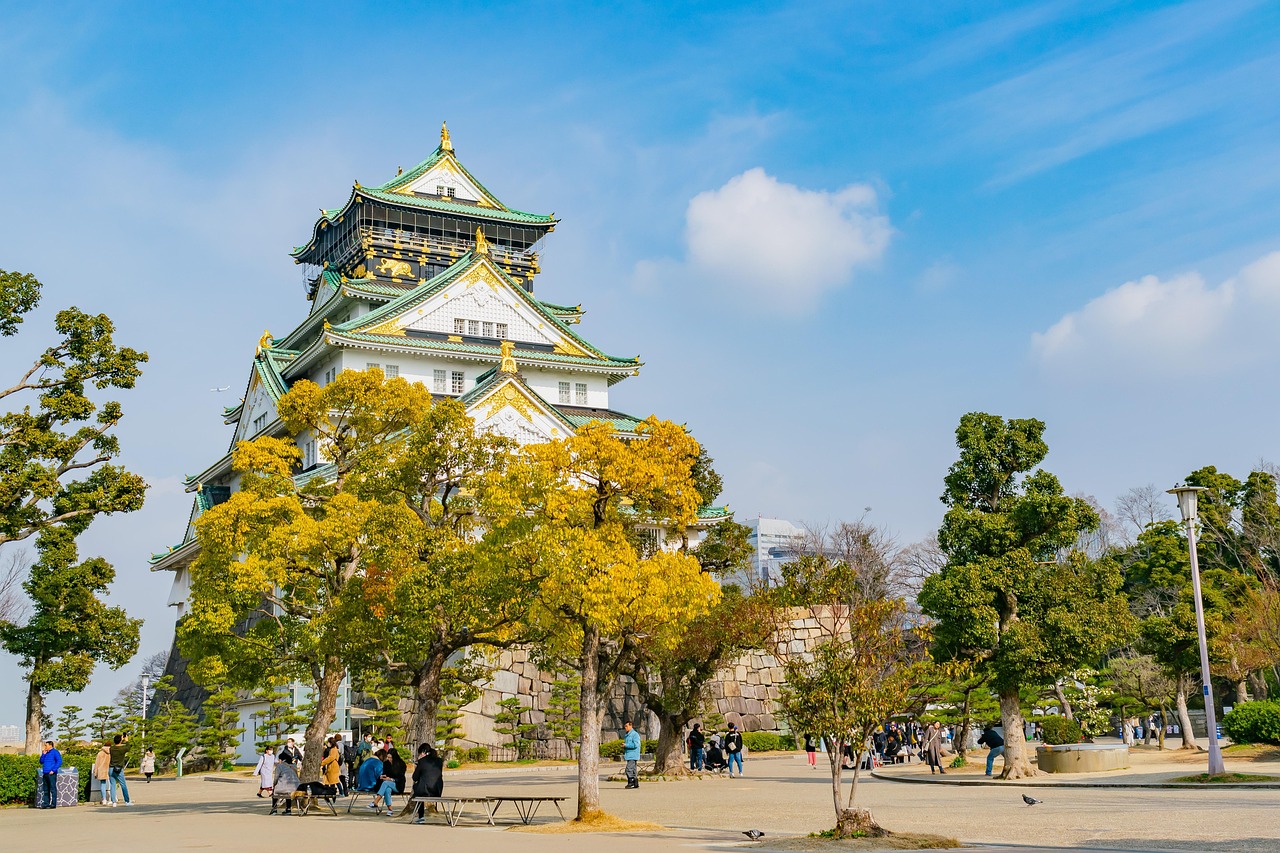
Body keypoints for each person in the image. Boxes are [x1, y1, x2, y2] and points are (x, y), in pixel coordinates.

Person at [411, 743, 444, 825]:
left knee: (416, 787)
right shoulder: (439, 761)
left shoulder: (422, 761)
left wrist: (417, 765)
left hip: (425, 791)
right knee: (420, 786)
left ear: (423, 752)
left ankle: (421, 816)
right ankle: (421, 816)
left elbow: (415, 777)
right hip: (437, 790)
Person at [108, 733, 133, 805]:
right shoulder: (122, 749)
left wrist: (121, 740)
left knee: (112, 785)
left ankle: (114, 802)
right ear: (120, 741)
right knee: (123, 785)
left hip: (111, 768)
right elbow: (128, 747)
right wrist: (126, 740)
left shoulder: (111, 748)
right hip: (119, 768)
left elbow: (116, 745)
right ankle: (127, 801)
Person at [37, 740, 61, 809]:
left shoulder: (55, 752)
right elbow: (41, 761)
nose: (45, 747)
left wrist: (53, 770)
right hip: (45, 773)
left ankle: (53, 804)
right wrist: (43, 754)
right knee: (46, 789)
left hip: (51, 773)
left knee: (52, 789)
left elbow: (59, 761)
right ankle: (46, 803)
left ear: (50, 745)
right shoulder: (46, 753)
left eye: (46, 745)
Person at [621, 720, 641, 789]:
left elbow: (636, 744)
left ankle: (631, 782)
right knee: (633, 770)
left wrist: (626, 745)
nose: (625, 728)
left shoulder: (635, 734)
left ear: (630, 726)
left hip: (633, 755)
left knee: (628, 769)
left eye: (626, 726)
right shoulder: (627, 735)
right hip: (629, 755)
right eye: (625, 726)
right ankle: (635, 783)